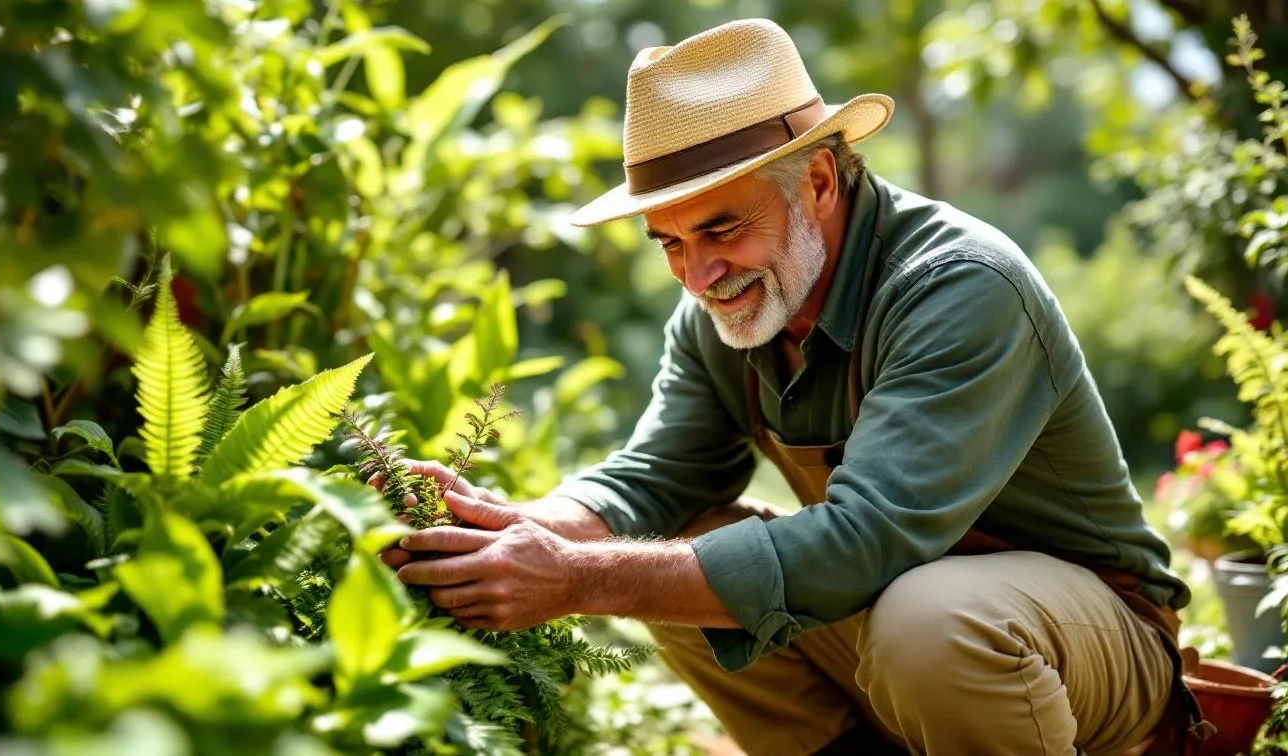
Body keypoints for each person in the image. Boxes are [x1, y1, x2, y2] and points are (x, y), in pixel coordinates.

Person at [380, 18, 1210, 756]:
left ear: (817, 179)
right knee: (687, 547)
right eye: (666, 241)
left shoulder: (959, 287)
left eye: (721, 227)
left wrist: (577, 577)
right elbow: (657, 479)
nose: (697, 274)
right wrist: (519, 527)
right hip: (910, 628)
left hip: (1087, 645)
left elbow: (866, 540)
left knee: (931, 621)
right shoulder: (727, 308)